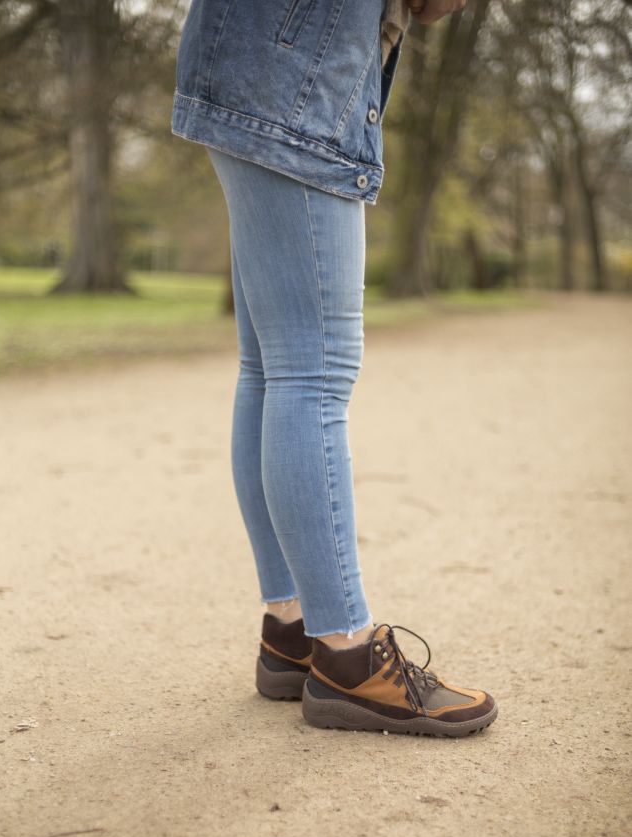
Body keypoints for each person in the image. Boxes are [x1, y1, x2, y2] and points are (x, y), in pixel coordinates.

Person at [171, 0, 498, 736]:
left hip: (258, 59)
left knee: (271, 368)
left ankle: (292, 630)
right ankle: (346, 655)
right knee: (310, 374)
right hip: (294, 71)